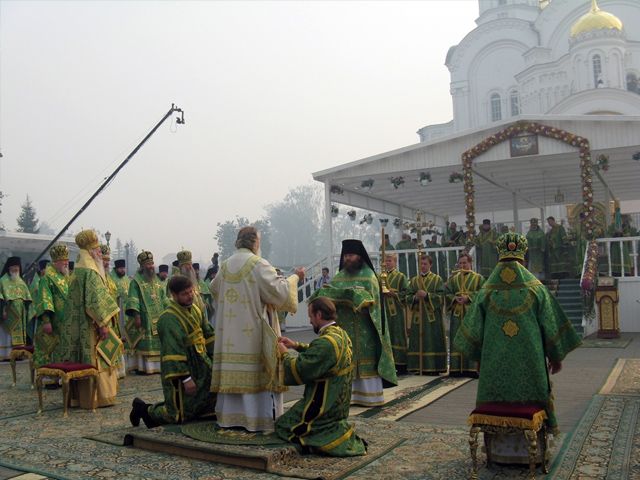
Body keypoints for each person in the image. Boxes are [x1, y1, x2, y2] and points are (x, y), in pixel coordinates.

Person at [454, 233, 581, 457]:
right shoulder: (537, 288)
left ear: (499, 258)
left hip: (493, 367)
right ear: (522, 259)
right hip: (530, 366)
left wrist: (478, 358)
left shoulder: (485, 292)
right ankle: (533, 454)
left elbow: (472, 333)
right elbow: (551, 327)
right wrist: (556, 356)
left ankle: (497, 453)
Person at [210, 226, 303, 432]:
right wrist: (296, 277)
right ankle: (258, 419)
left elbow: (214, 289)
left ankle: (230, 417)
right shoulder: (258, 264)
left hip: (229, 335)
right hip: (253, 332)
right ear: (255, 243)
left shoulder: (224, 266)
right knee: (258, 372)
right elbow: (280, 293)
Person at [275, 297, 367, 457]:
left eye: (310, 317)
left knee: (284, 425)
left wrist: (285, 354)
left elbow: (301, 368)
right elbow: (318, 353)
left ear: (318, 315)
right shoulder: (340, 333)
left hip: (323, 407)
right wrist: (296, 345)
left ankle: (320, 439)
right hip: (339, 405)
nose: (310, 321)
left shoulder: (326, 343)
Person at [130, 275, 216, 428]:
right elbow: (172, 352)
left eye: (191, 292)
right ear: (174, 295)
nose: (190, 296)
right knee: (176, 414)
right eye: (185, 294)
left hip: (201, 363)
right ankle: (143, 409)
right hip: (182, 370)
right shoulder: (168, 319)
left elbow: (208, 333)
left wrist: (216, 359)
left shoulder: (196, 309)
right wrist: (186, 379)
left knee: (202, 406)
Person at [319, 239, 397, 406]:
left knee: (366, 359)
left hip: (365, 328)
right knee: (346, 360)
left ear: (359, 256)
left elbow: (375, 302)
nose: (348, 258)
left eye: (351, 255)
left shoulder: (369, 277)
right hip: (345, 328)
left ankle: (370, 396)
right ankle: (348, 396)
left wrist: (363, 303)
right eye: (346, 255)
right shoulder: (339, 277)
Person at [65, 230, 121, 408]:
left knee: (82, 357)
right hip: (92, 325)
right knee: (97, 358)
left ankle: (81, 398)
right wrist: (103, 323)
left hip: (79, 325)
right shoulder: (91, 272)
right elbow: (94, 301)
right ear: (90, 252)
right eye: (96, 249)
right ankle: (99, 396)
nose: (99, 252)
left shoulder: (78, 271)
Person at [126, 250, 169, 374]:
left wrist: (170, 308)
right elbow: (133, 298)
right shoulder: (136, 282)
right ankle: (144, 367)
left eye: (152, 263)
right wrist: (136, 315)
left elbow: (163, 297)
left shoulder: (157, 281)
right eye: (148, 264)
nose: (151, 266)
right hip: (144, 317)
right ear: (142, 266)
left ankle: (157, 367)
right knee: (144, 344)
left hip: (159, 316)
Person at [445, 252, 484, 377]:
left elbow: (483, 294)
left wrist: (469, 297)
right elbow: (447, 294)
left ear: (470, 263)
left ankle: (471, 368)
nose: (462, 265)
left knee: (470, 338)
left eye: (465, 263)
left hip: (471, 314)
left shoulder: (479, 278)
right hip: (457, 314)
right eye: (460, 263)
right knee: (456, 338)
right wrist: (454, 299)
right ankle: (456, 368)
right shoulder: (453, 279)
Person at [407, 254, 446, 375]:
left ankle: (434, 367)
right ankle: (418, 366)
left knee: (432, 340)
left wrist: (427, 295)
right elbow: (407, 297)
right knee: (416, 341)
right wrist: (415, 297)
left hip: (432, 318)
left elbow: (441, 298)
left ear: (430, 265)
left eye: (425, 264)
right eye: (421, 264)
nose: (423, 266)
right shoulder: (414, 280)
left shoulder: (437, 279)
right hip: (418, 317)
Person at [34, 244, 70, 368]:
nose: (66, 263)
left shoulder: (65, 277)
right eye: (63, 261)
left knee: (62, 349)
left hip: (65, 323)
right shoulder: (47, 278)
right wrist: (46, 321)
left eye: (67, 260)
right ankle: (50, 377)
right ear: (55, 262)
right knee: (51, 349)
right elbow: (45, 300)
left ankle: (61, 374)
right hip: (52, 322)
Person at [0, 257, 33, 360]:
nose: (15, 269)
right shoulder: (3, 280)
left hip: (20, 315)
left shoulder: (21, 281)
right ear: (9, 268)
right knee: (7, 335)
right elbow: (0, 298)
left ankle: (18, 355)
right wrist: (3, 311)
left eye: (17, 267)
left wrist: (28, 309)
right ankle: (6, 354)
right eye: (13, 267)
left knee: (19, 334)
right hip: (9, 313)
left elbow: (28, 297)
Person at [101, 245, 126, 378]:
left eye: (108, 260)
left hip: (113, 317)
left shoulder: (109, 278)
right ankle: (106, 372)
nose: (107, 263)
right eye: (104, 260)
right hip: (102, 318)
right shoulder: (97, 277)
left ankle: (116, 370)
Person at [382, 253, 409, 374]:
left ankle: (400, 364)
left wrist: (395, 294)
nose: (387, 263)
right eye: (386, 261)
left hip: (396, 312)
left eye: (389, 261)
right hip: (384, 310)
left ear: (395, 262)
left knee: (397, 335)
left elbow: (407, 293)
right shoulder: (380, 277)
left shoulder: (400, 277)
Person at [176, 250, 208, 322]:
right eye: (186, 265)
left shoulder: (194, 281)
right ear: (181, 267)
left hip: (198, 317)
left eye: (190, 264)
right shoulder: (175, 282)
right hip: (184, 318)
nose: (189, 267)